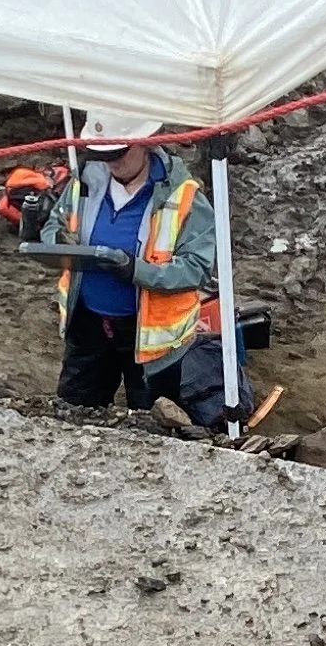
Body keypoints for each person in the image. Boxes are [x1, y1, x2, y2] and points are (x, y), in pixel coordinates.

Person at [27, 113, 248, 428]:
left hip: (150, 346)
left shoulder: (183, 196)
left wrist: (135, 270)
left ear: (146, 143)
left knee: (151, 428)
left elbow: (196, 269)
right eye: (102, 155)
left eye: (117, 154)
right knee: (70, 419)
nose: (111, 164)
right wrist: (56, 243)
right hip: (87, 328)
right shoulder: (87, 179)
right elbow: (57, 223)